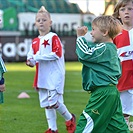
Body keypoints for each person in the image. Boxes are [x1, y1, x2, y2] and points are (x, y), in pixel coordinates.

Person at [75, 15, 130, 133]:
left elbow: (85, 54)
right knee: (116, 127)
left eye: (94, 29)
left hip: (103, 93)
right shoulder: (111, 49)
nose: (91, 33)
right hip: (111, 92)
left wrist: (80, 37)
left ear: (105, 32)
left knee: (86, 123)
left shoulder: (105, 48)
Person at [26, 6, 76, 133]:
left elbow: (56, 54)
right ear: (35, 23)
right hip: (42, 76)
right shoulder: (35, 41)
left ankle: (70, 118)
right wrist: (30, 61)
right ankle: (53, 129)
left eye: (44, 19)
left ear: (50, 23)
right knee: (47, 104)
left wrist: (37, 57)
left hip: (55, 75)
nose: (41, 22)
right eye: (38, 20)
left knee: (54, 102)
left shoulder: (53, 37)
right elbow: (30, 57)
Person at [113, 0, 133, 126]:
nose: (126, 12)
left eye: (130, 9)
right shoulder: (115, 35)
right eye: (123, 9)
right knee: (123, 115)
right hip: (123, 81)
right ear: (118, 14)